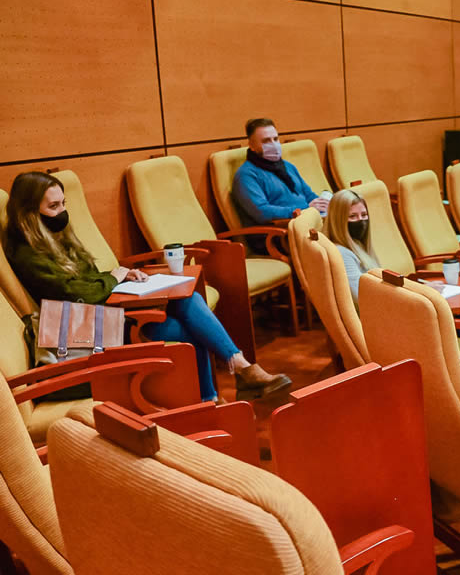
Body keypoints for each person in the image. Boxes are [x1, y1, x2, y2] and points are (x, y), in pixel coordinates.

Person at [5, 172, 292, 403]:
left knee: (185, 299)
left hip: (102, 316)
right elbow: (74, 293)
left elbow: (87, 281)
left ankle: (226, 383)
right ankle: (228, 383)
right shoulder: (27, 253)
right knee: (189, 331)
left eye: (64, 203)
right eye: (54, 206)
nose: (63, 211)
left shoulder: (58, 237)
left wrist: (121, 275)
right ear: (30, 212)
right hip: (81, 333)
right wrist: (113, 279)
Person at [323, 190, 460, 354]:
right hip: (383, 324)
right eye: (353, 216)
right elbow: (364, 297)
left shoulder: (356, 246)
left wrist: (420, 287)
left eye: (364, 215)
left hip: (388, 312)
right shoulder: (343, 253)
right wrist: (418, 293)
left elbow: (380, 285)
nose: (361, 221)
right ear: (339, 220)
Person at [232, 118, 329, 228]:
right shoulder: (246, 175)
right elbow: (262, 212)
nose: (274, 144)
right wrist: (304, 208)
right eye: (266, 141)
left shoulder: (287, 166)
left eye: (276, 139)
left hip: (305, 222)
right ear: (252, 145)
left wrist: (323, 204)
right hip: (279, 232)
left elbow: (308, 195)